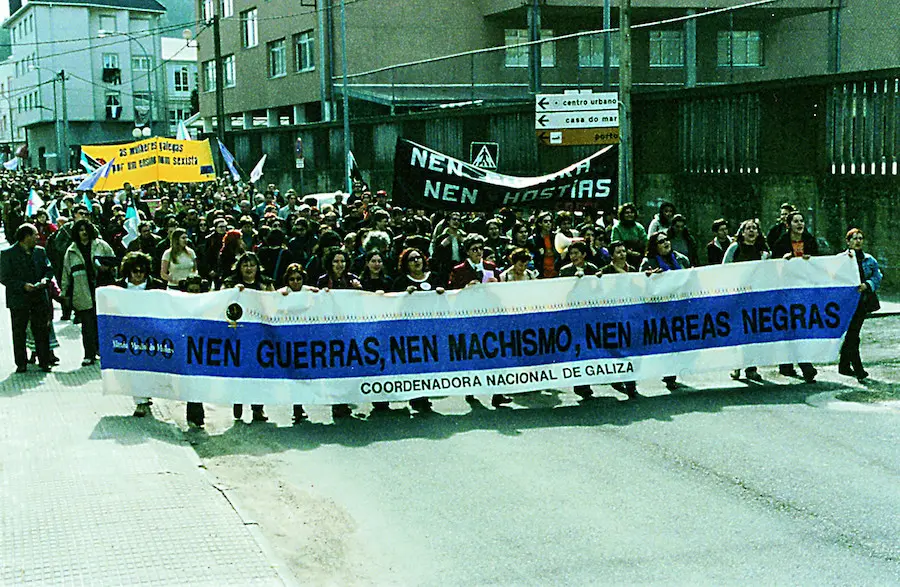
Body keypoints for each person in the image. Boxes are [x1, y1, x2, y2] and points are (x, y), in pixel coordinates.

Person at [223, 252, 275, 422]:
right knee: (238, 370)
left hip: (260, 334)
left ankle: (257, 408)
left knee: (258, 372)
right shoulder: (230, 283)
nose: (249, 268)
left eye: (252, 265)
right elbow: (221, 303)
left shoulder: (266, 284)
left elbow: (275, 305)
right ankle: (237, 401)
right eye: (245, 265)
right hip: (237, 334)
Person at [114, 252, 167, 417]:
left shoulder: (157, 286)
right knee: (134, 367)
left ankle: (146, 394)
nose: (138, 274)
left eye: (142, 270)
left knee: (149, 366)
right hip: (128, 334)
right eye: (135, 270)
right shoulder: (117, 288)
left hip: (151, 333)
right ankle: (140, 402)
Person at [771, 211, 819, 382]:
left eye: (802, 221)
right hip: (785, 292)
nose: (800, 224)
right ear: (789, 224)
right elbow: (772, 267)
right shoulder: (781, 243)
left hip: (804, 291)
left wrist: (811, 260)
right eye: (796, 221)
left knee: (799, 327)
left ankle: (792, 364)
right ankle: (801, 366)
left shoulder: (810, 241)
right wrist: (783, 260)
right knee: (790, 327)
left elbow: (820, 264)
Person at [61, 218, 117, 367]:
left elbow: (114, 263)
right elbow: (66, 273)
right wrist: (64, 293)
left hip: (102, 289)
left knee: (103, 324)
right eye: (80, 230)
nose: (84, 232)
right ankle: (89, 354)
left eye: (86, 229)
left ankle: (104, 351)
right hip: (82, 291)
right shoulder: (71, 251)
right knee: (87, 325)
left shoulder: (101, 245)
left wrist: (108, 269)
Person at [0, 223, 55, 373]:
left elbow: (48, 270)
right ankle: (21, 363)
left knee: (42, 330)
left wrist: (45, 281)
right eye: (35, 235)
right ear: (26, 237)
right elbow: (4, 277)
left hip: (39, 297)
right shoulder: (7, 254)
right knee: (19, 332)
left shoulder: (40, 252)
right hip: (18, 299)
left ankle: (44, 361)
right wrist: (22, 285)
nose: (37, 237)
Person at [641, 232, 691, 391]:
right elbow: (641, 284)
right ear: (654, 247)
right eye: (661, 242)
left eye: (667, 240)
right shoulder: (648, 262)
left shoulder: (681, 259)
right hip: (660, 309)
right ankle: (669, 375)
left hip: (679, 307)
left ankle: (672, 373)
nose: (665, 243)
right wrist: (650, 277)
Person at [722, 219, 770, 380]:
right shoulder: (735, 248)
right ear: (742, 232)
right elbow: (724, 268)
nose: (751, 231)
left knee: (753, 332)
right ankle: (736, 365)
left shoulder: (763, 251)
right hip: (738, 297)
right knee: (738, 331)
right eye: (748, 228)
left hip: (755, 298)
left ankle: (751, 368)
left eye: (754, 228)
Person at [838, 228, 882, 381]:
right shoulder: (841, 259)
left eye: (860, 238)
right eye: (854, 238)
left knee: (853, 334)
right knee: (852, 334)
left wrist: (868, 284)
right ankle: (855, 368)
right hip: (846, 303)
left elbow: (877, 276)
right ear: (848, 241)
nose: (858, 241)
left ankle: (847, 366)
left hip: (862, 302)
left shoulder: (869, 260)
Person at [599, 241, 639, 398]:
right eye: (618, 252)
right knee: (615, 350)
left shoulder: (633, 270)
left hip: (630, 315)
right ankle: (617, 378)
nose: (622, 254)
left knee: (631, 349)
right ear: (611, 255)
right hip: (612, 317)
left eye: (624, 251)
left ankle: (631, 384)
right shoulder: (605, 272)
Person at [610, 202, 647, 269]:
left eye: (631, 212)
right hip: (623, 258)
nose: (629, 214)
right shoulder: (617, 228)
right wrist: (630, 253)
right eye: (627, 213)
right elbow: (615, 245)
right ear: (622, 215)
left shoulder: (639, 227)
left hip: (639, 257)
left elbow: (646, 243)